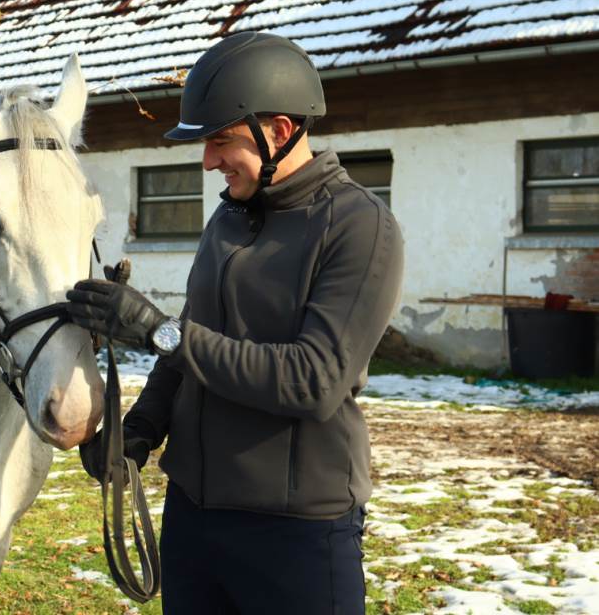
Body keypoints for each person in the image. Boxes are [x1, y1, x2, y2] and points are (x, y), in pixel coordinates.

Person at [66, 31, 404, 615]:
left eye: (221, 140)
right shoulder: (227, 218)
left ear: (279, 130)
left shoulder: (359, 226)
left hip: (296, 534)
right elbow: (188, 350)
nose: (208, 161)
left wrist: (158, 330)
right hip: (194, 519)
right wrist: (140, 432)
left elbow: (314, 379)